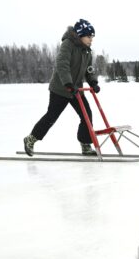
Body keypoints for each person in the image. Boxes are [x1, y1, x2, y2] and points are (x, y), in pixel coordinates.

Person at [23, 19, 101, 156]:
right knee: (51, 116)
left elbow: (89, 69)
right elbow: (62, 64)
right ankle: (31, 139)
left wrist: (93, 82)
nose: (91, 40)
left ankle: (85, 145)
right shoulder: (68, 44)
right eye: (89, 37)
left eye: (92, 37)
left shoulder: (87, 51)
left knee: (86, 115)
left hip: (76, 90)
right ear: (81, 35)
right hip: (60, 88)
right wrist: (68, 83)